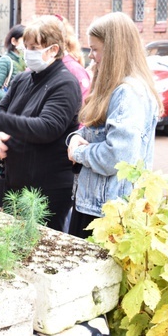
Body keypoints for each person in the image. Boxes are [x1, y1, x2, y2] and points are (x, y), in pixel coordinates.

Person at [0, 15, 81, 231]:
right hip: (15, 181)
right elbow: (1, 112)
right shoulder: (23, 79)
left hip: (46, 190)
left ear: (53, 50)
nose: (27, 52)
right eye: (26, 46)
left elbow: (46, 128)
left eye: (34, 47)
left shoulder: (65, 84)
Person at [66, 12, 163, 239]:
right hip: (97, 205)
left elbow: (117, 158)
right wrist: (74, 138)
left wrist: (78, 151)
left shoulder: (128, 93)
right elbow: (95, 132)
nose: (91, 56)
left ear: (114, 50)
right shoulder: (117, 88)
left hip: (106, 212)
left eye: (95, 49)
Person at [0, 25, 24, 104]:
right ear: (14, 41)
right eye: (24, 40)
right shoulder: (5, 61)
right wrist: (14, 102)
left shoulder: (27, 61)